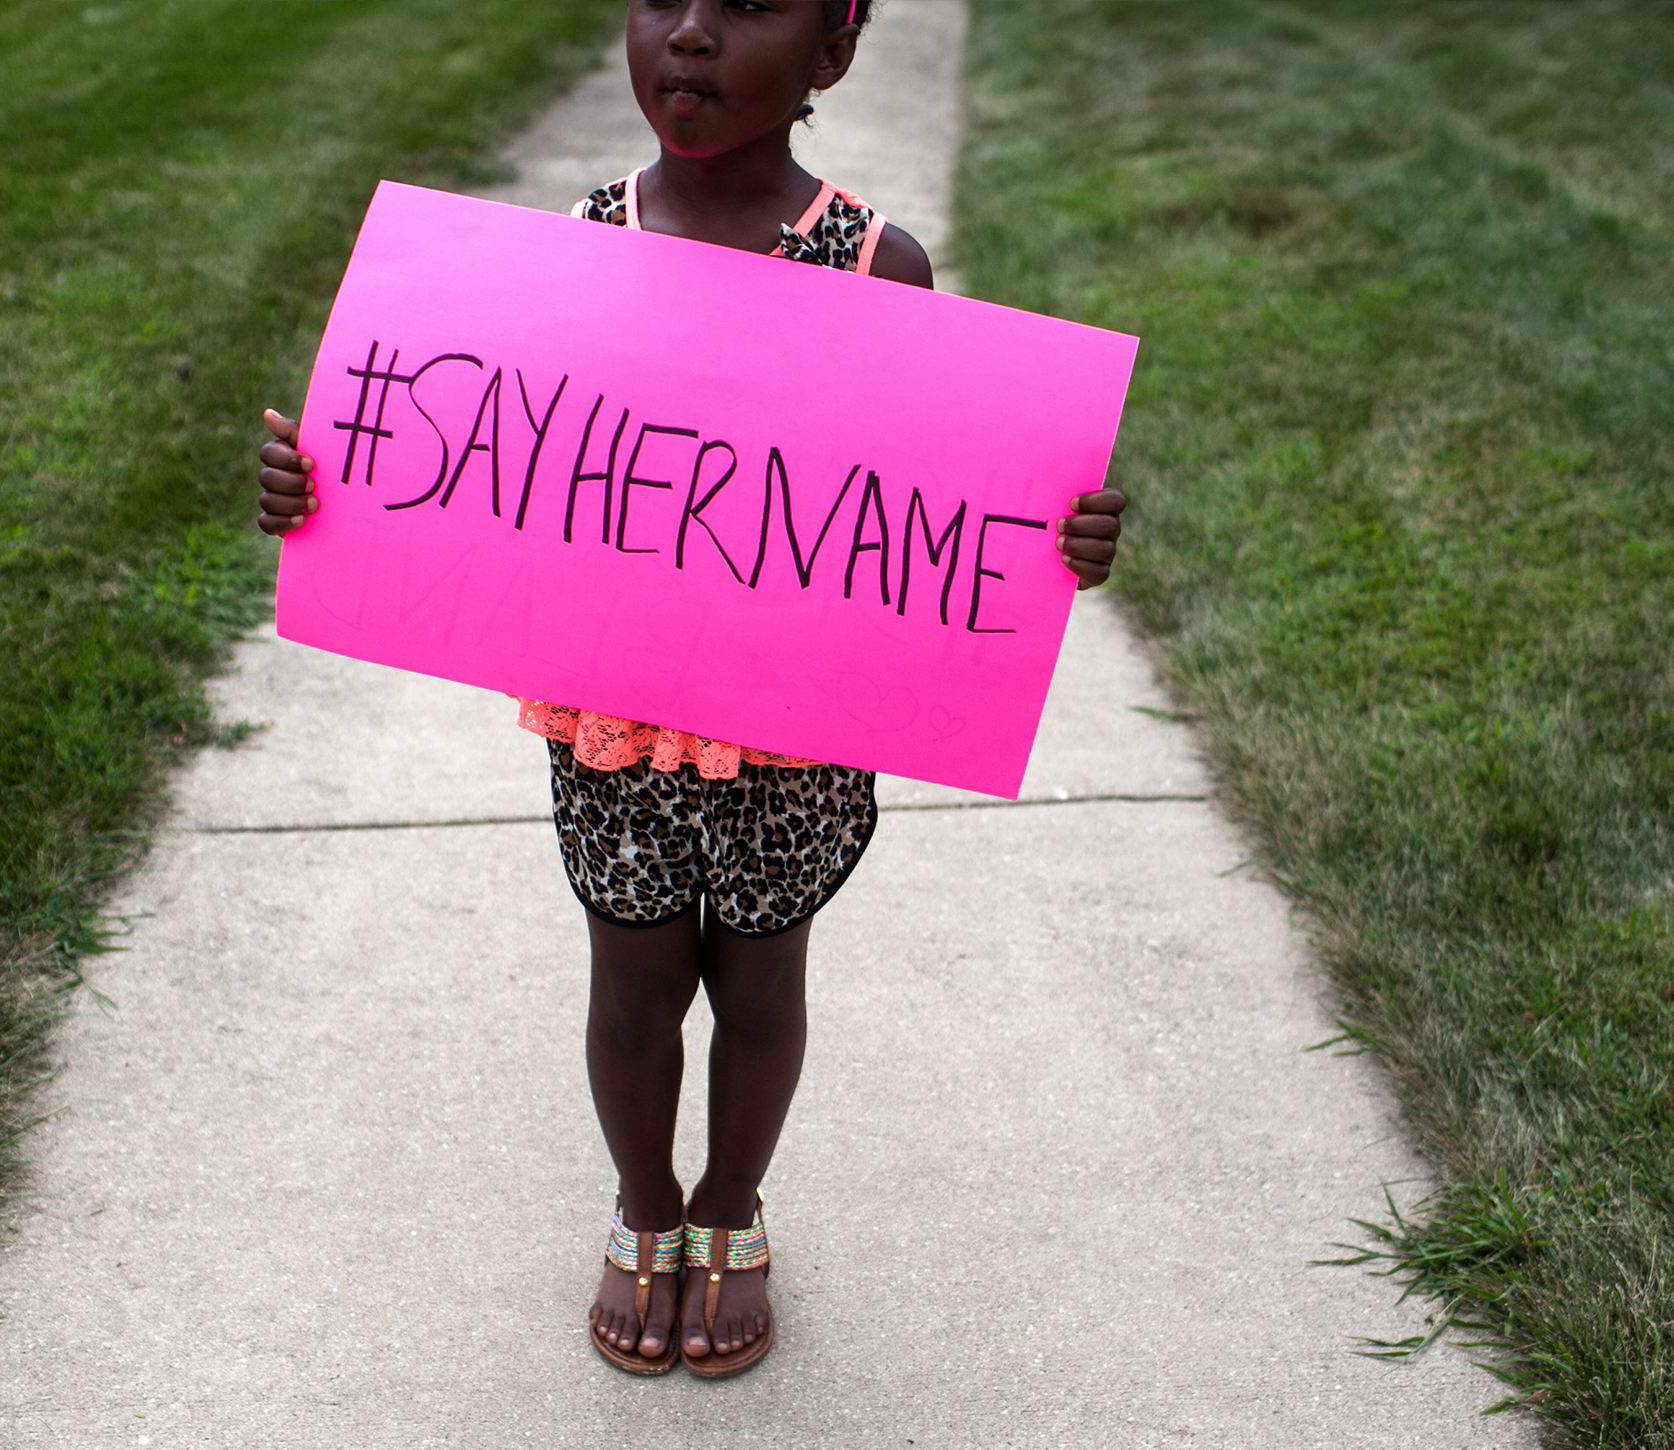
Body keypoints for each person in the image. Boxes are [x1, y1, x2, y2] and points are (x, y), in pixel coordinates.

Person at [253, 0, 1125, 1379]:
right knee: (632, 978)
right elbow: (476, 442)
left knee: (762, 983)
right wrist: (328, 496)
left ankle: (732, 1206)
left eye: (751, 5)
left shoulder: (875, 263)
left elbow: (936, 497)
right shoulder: (577, 249)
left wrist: (1052, 535)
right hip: (613, 721)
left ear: (832, 55)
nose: (695, 37)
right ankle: (645, 1204)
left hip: (790, 732)